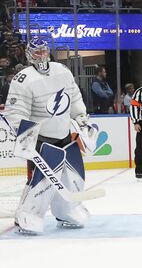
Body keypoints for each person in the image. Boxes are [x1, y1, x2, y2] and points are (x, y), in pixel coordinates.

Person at [3, 37, 92, 234]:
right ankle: (28, 215)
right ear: (29, 55)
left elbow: (74, 96)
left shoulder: (62, 71)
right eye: (37, 52)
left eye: (43, 51)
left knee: (71, 177)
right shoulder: (23, 79)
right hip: (40, 139)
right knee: (40, 180)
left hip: (64, 135)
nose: (41, 55)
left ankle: (67, 211)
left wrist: (81, 117)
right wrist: (24, 134)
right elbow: (14, 112)